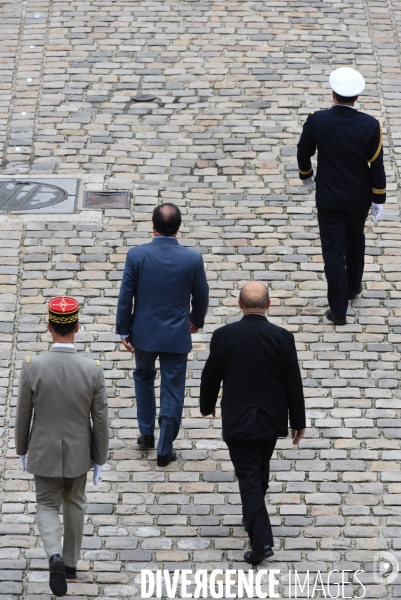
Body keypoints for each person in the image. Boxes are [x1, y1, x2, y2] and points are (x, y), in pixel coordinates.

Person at [199, 281, 306, 565]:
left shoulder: (225, 335)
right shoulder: (282, 337)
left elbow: (211, 375)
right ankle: (253, 514)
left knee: (249, 478)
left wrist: (206, 405)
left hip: (238, 419)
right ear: (268, 305)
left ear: (240, 304)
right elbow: (292, 382)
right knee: (257, 472)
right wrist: (298, 420)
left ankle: (261, 542)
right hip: (270, 420)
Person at [15, 297, 109, 597]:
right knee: (75, 503)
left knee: (45, 505)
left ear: (48, 327)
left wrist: (21, 449)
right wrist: (100, 458)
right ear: (77, 327)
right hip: (79, 453)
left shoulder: (33, 367)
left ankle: (53, 554)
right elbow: (100, 420)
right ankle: (69, 564)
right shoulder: (92, 369)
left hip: (43, 452)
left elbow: (23, 414)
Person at [116, 203, 209, 467]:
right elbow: (201, 296)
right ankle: (164, 448)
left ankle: (146, 433)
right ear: (178, 228)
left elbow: (126, 296)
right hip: (176, 335)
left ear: (153, 226)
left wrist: (124, 328)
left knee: (143, 378)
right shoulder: (192, 259)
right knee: (173, 389)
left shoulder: (136, 255)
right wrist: (195, 320)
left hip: (143, 332)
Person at [297, 66, 386, 325]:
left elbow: (304, 151)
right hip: (358, 197)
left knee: (333, 252)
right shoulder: (370, 124)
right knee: (356, 238)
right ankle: (352, 287)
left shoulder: (318, 119)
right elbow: (376, 164)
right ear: (356, 97)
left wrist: (306, 174)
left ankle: (338, 310)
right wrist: (378, 197)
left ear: (333, 94)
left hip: (329, 197)